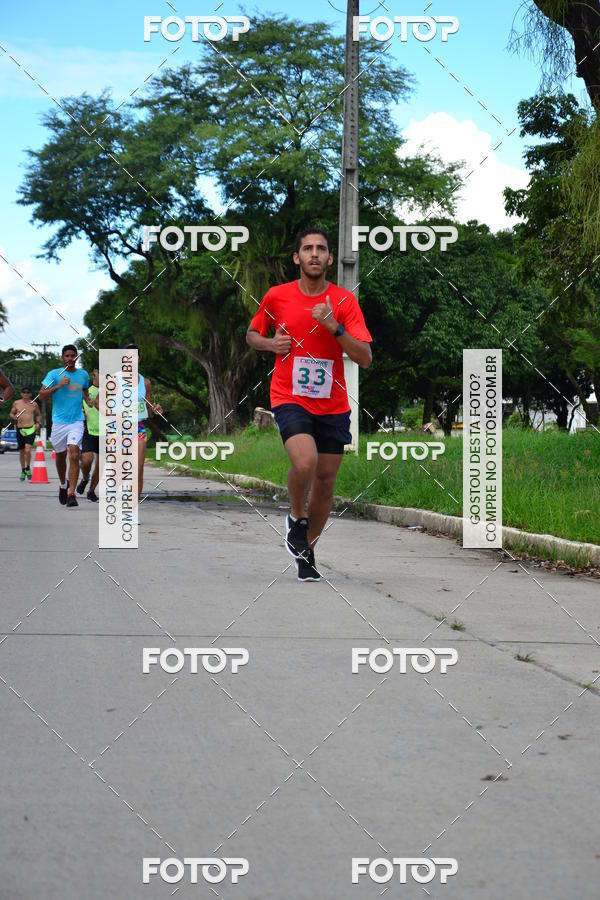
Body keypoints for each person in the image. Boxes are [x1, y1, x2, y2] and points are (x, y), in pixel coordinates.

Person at [246, 228, 372, 581]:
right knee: (306, 461)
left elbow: (364, 357)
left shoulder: (345, 302)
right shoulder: (277, 297)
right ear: (297, 258)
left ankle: (306, 550)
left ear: (330, 258)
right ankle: (296, 518)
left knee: (327, 481)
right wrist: (271, 345)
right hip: (289, 396)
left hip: (332, 403)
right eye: (307, 249)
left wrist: (334, 327)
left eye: (321, 249)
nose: (314, 254)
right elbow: (252, 334)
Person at [39, 345, 90, 508]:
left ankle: (71, 494)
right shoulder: (54, 374)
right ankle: (63, 485)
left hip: (76, 421)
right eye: (67, 355)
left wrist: (89, 401)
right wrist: (58, 386)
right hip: (59, 423)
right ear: (62, 358)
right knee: (61, 457)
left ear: (76, 358)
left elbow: (85, 392)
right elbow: (41, 396)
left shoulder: (83, 375)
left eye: (73, 356)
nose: (70, 358)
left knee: (74, 454)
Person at [76, 368, 100, 502]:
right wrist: (81, 413)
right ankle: (85, 478)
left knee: (100, 465)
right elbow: (77, 407)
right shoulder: (86, 391)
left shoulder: (112, 391)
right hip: (89, 430)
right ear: (94, 372)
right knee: (87, 461)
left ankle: (91, 491)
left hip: (107, 432)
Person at [9, 387, 41, 480]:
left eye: (28, 392)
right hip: (20, 429)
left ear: (30, 394)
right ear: (21, 394)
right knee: (22, 451)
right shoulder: (16, 403)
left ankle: (28, 467)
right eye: (24, 392)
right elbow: (11, 413)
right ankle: (23, 470)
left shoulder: (34, 404)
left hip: (30, 428)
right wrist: (14, 416)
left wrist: (38, 423)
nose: (26, 394)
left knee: (28, 450)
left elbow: (38, 415)